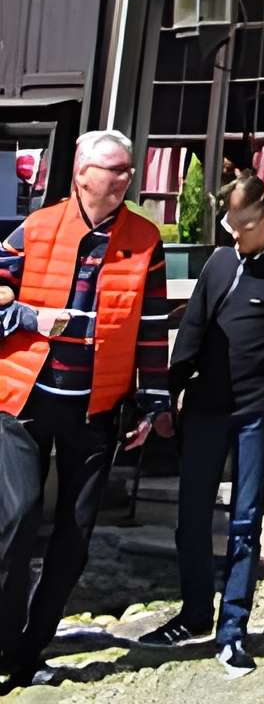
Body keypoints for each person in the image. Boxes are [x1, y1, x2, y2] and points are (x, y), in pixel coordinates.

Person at [0, 127, 171, 688]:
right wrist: (30, 318)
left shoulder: (144, 239)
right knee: (20, 514)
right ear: (81, 174)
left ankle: (28, 654)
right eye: (115, 170)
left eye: (128, 170)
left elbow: (150, 326)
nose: (125, 179)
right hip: (22, 399)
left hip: (96, 409)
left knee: (74, 538)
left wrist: (153, 399)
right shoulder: (38, 227)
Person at [140, 172, 264, 679]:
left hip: (257, 411)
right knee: (192, 514)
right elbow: (190, 334)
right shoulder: (217, 263)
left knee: (244, 521)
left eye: (248, 223)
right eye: (231, 224)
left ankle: (232, 630)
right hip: (207, 409)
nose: (238, 233)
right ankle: (193, 614)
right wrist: (163, 399)